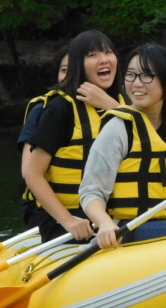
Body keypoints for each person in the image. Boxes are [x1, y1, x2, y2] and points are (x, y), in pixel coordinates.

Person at [80, 43, 166, 249]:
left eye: (147, 76)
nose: (136, 84)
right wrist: (104, 223)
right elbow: (90, 191)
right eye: (131, 75)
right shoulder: (118, 129)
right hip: (131, 231)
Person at [24, 30, 124, 243]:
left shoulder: (127, 104)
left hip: (119, 216)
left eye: (108, 52)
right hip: (73, 221)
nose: (103, 59)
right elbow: (33, 174)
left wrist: (113, 107)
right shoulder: (60, 110)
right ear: (78, 64)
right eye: (92, 55)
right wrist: (68, 221)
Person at [14, 43, 69, 228]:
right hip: (44, 210)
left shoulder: (110, 109)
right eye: (63, 70)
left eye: (73, 69)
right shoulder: (43, 110)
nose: (67, 76)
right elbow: (27, 170)